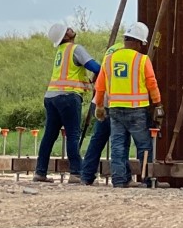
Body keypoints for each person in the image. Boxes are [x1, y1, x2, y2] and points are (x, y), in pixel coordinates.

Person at [94, 21, 163, 188]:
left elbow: (100, 85)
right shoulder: (142, 60)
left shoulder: (109, 59)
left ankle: (119, 180)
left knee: (118, 146)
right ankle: (147, 180)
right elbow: (151, 83)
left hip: (115, 110)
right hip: (137, 110)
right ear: (139, 42)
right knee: (144, 146)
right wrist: (158, 104)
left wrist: (99, 106)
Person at [34, 21, 99, 183]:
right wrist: (105, 71)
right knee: (72, 135)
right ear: (65, 36)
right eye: (67, 30)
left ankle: (40, 172)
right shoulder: (75, 49)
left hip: (51, 97)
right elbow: (94, 66)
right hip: (68, 97)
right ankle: (76, 172)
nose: (71, 29)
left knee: (49, 135)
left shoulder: (60, 51)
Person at [79, 38, 128, 186]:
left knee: (98, 139)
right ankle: (121, 177)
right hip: (118, 101)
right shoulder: (129, 53)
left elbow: (101, 75)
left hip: (102, 99)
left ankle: (86, 175)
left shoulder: (112, 49)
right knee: (120, 141)